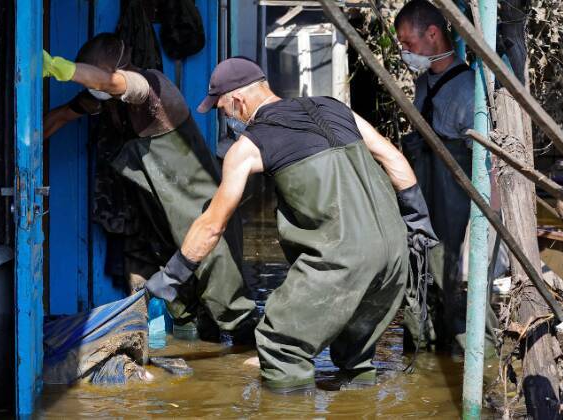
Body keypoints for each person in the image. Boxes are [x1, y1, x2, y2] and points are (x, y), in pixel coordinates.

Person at [145, 57, 436, 392]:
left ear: (237, 101)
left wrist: (171, 277)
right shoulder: (336, 108)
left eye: (222, 108)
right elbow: (394, 160)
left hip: (341, 259)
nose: (225, 116)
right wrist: (418, 221)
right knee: (355, 360)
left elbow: (213, 224)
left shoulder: (250, 145)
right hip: (396, 253)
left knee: (280, 346)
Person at [42, 34, 256, 341]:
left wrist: (62, 68)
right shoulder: (103, 101)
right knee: (182, 307)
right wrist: (23, 146)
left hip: (199, 205)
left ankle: (252, 361)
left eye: (96, 78)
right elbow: (61, 116)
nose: (92, 88)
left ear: (120, 68)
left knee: (223, 287)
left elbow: (112, 84)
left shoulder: (150, 87)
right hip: (159, 211)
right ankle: (195, 361)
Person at [395, 0, 497, 352]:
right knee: (421, 282)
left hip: (456, 217)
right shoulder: (424, 85)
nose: (405, 52)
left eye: (409, 44)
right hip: (425, 211)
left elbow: (488, 168)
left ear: (434, 34)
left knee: (456, 289)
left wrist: (485, 225)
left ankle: (471, 357)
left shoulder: (470, 92)